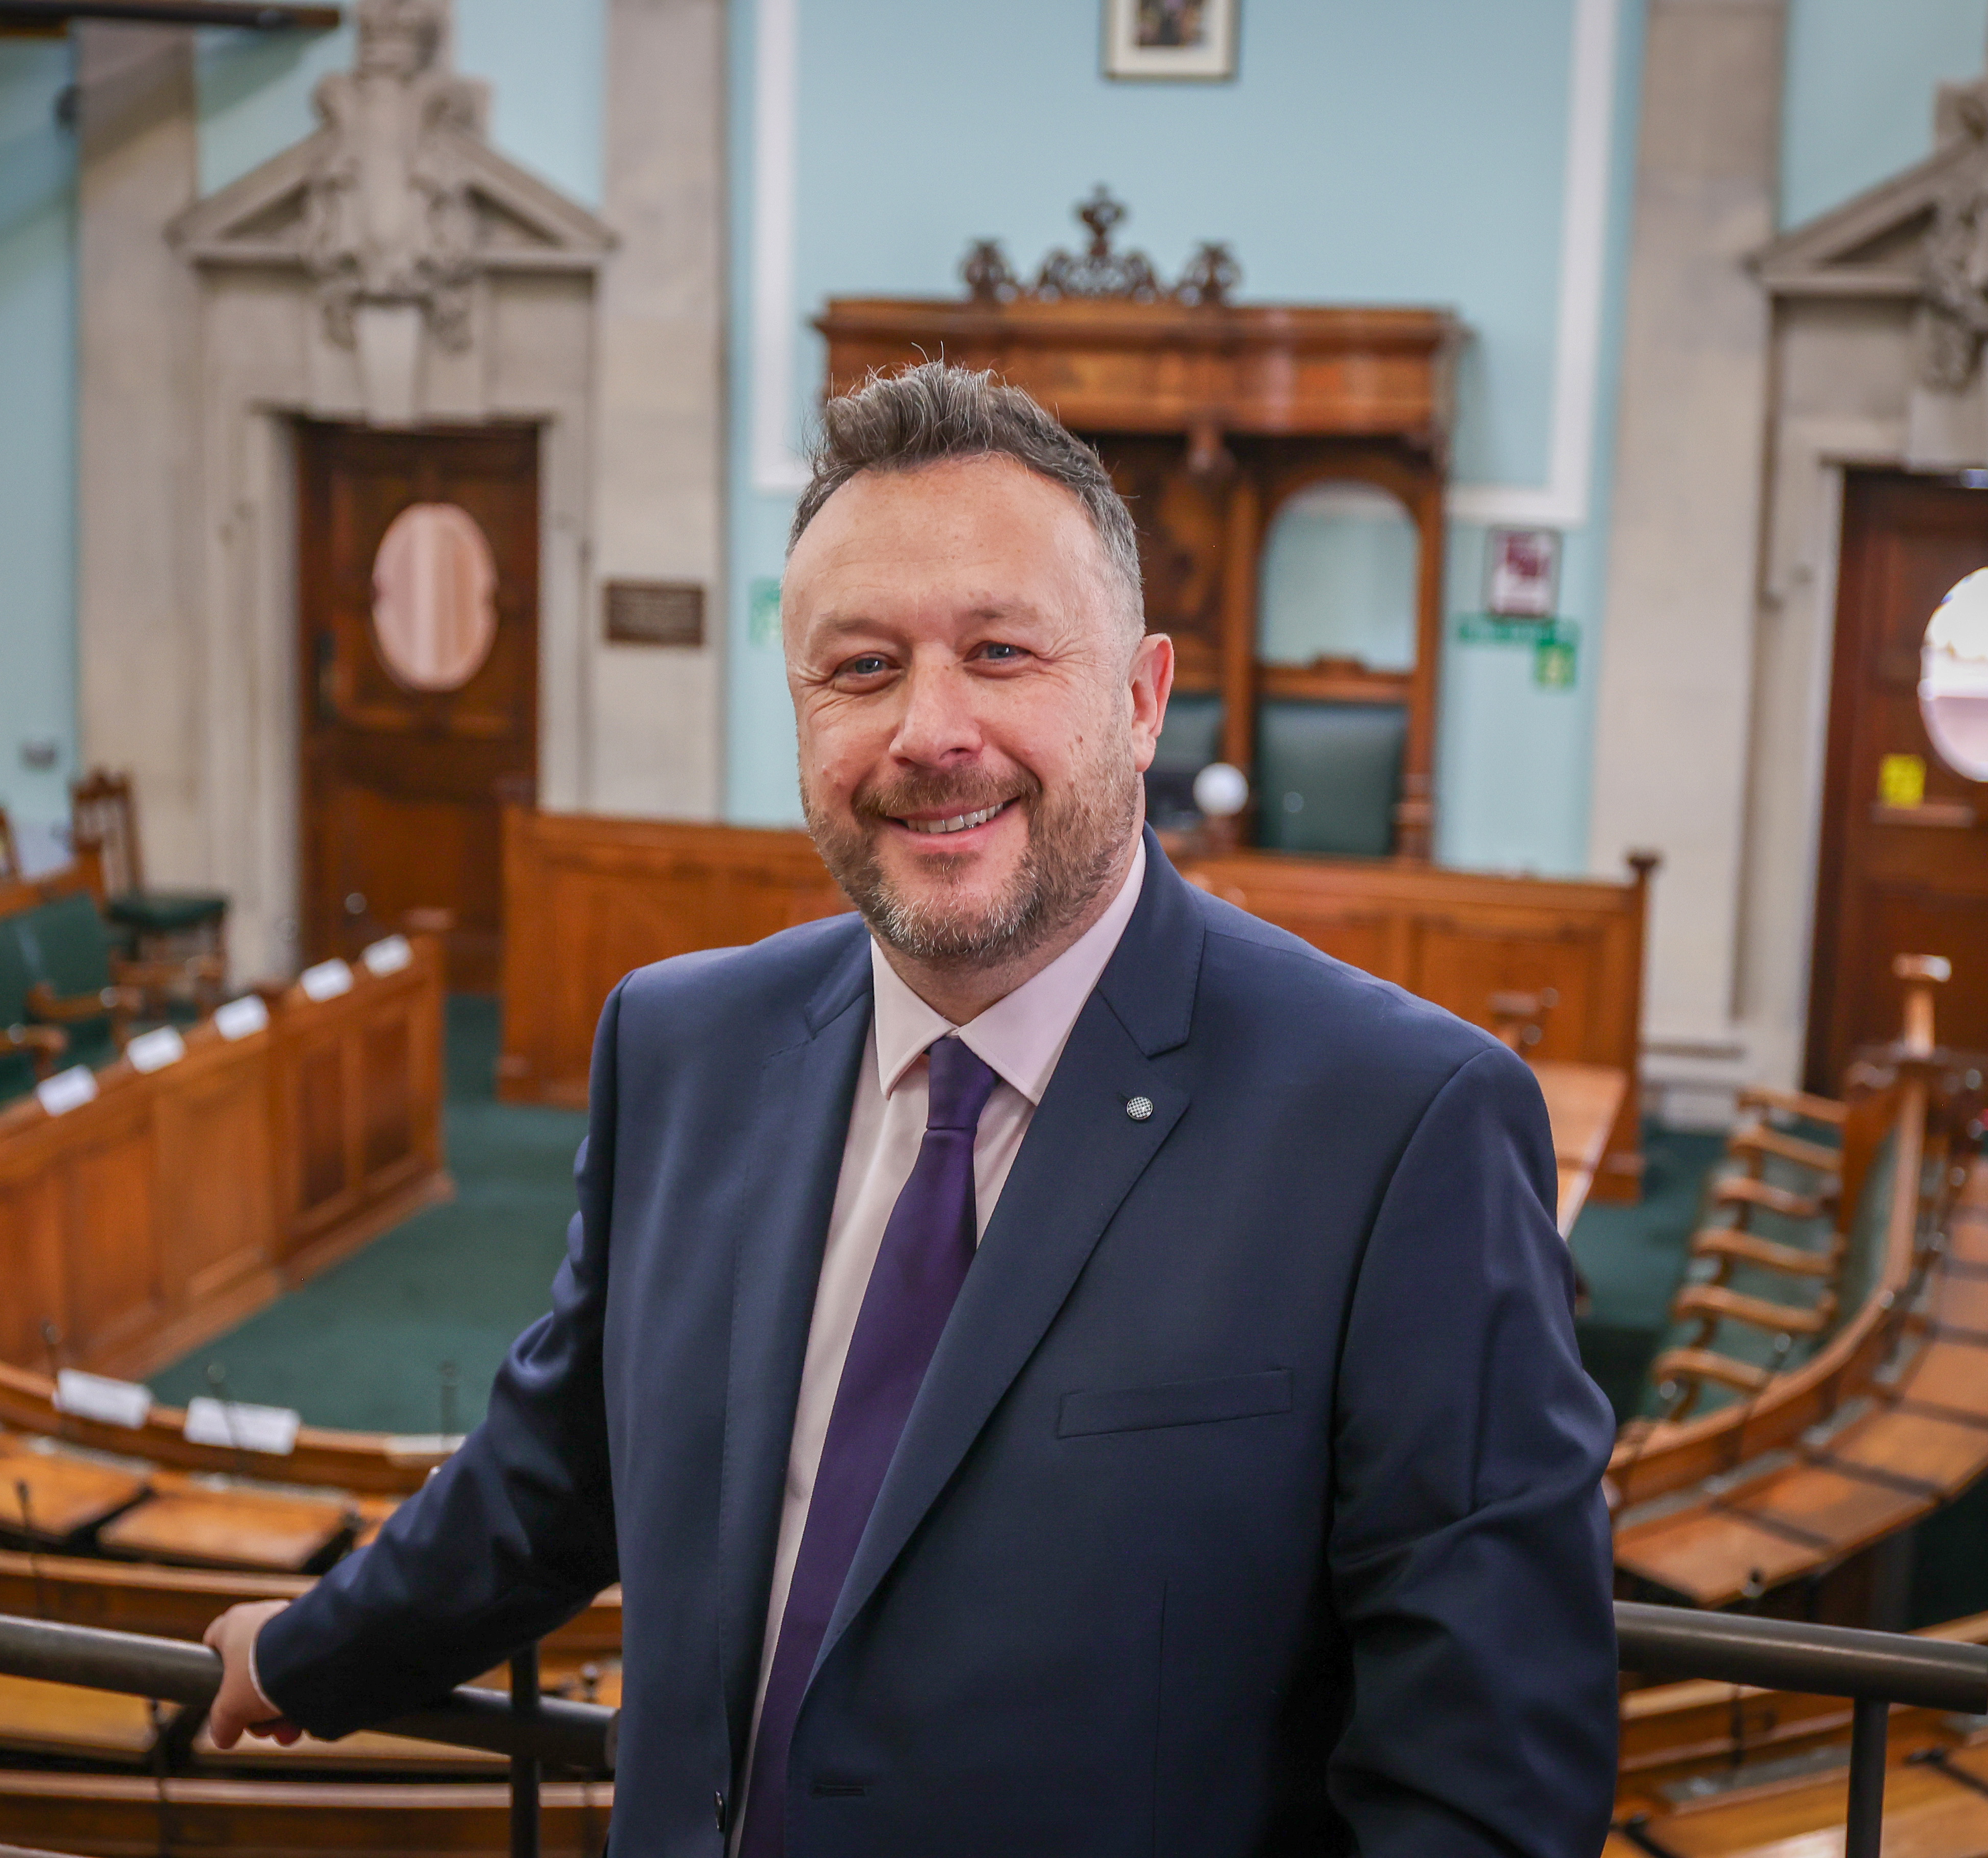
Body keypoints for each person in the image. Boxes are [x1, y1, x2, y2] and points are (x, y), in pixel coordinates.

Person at [203, 361, 1618, 1854]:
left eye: (1003, 653)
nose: (930, 732)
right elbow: (561, 1474)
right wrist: (309, 1649)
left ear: (1142, 701)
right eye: (861, 668)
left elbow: (1484, 1794)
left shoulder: (1402, 1125)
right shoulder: (681, 1045)